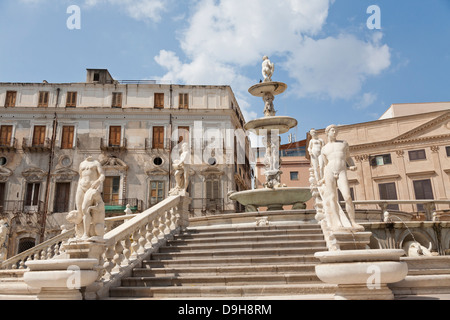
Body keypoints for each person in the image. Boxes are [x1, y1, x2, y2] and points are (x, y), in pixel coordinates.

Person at [320, 125, 363, 231]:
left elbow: (348, 157)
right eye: (332, 130)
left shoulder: (343, 144)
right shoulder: (324, 148)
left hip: (342, 171)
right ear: (327, 132)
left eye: (336, 130)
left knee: (347, 196)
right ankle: (338, 221)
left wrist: (352, 164)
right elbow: (325, 164)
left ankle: (353, 221)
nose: (335, 132)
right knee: (332, 197)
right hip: (329, 171)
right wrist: (324, 177)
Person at [75, 156, 106, 239]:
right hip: (81, 186)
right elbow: (80, 177)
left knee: (85, 209)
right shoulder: (82, 164)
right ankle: (79, 234)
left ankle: (86, 234)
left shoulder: (96, 163)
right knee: (80, 211)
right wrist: (78, 186)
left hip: (91, 187)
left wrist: (98, 181)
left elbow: (102, 175)